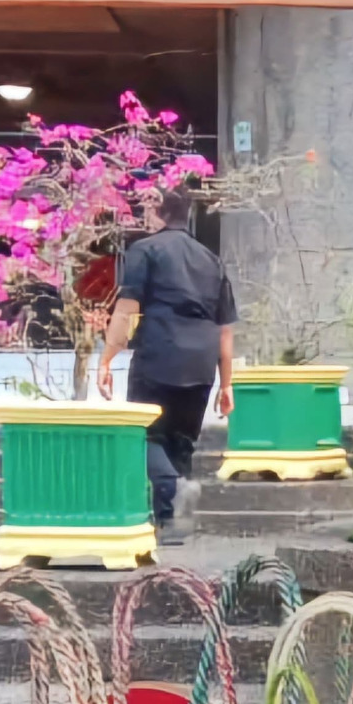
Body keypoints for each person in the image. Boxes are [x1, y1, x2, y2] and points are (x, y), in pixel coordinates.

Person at [95, 186, 237, 534]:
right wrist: (227, 383)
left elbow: (127, 311)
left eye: (147, 207)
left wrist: (106, 360)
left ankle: (172, 491)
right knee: (181, 442)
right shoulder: (211, 260)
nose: (143, 213)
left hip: (160, 354)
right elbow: (225, 330)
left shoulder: (145, 250)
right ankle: (171, 524)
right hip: (202, 360)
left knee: (145, 435)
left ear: (160, 211)